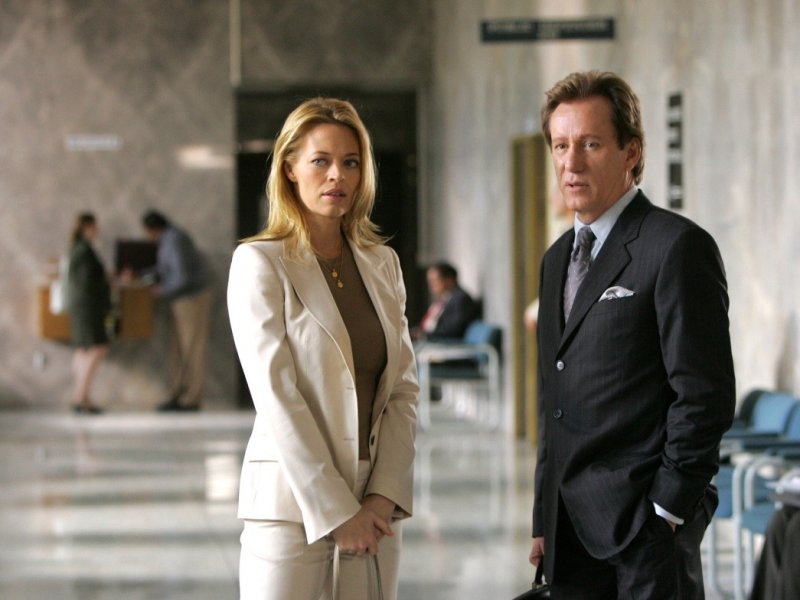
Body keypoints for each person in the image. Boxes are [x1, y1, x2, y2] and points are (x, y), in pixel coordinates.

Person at [528, 70, 736, 599]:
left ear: (631, 152)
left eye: (591, 144)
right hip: (568, 531)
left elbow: (704, 395)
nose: (571, 163)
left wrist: (667, 509)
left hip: (645, 532)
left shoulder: (676, 246)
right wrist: (542, 516)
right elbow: (553, 398)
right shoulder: (556, 260)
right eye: (561, 145)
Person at [227, 97, 418, 600]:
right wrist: (336, 511)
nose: (338, 175)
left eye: (351, 162)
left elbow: (402, 391)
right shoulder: (259, 263)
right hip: (290, 502)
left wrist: (382, 496)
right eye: (321, 161)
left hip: (375, 503)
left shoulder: (383, 264)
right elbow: (277, 395)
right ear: (290, 168)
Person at [141, 210, 212, 412]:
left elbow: (182, 277)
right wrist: (141, 275)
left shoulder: (174, 240)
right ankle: (178, 393)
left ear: (152, 229)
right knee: (179, 349)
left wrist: (161, 291)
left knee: (192, 348)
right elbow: (165, 269)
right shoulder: (168, 239)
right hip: (181, 299)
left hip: (191, 298)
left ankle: (192, 398)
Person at [66, 212, 111, 414]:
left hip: (81, 306)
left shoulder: (76, 248)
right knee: (96, 348)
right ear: (87, 227)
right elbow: (87, 282)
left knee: (83, 350)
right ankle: (80, 397)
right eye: (94, 226)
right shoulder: (83, 250)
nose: (97, 230)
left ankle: (81, 396)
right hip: (88, 307)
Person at [413, 262, 477, 340]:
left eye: (434, 280)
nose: (430, 285)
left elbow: (454, 331)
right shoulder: (443, 299)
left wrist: (424, 336)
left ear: (449, 280)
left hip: (445, 343)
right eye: (429, 281)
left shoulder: (461, 299)